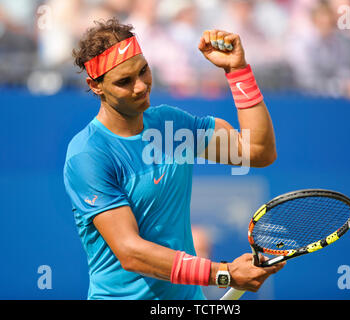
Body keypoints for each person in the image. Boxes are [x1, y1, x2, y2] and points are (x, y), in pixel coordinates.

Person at [63, 18, 285, 300]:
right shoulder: (88, 155)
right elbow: (131, 252)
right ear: (95, 86)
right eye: (124, 82)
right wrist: (224, 273)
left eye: (143, 71)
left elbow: (258, 151)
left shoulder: (172, 124)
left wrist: (237, 71)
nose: (141, 86)